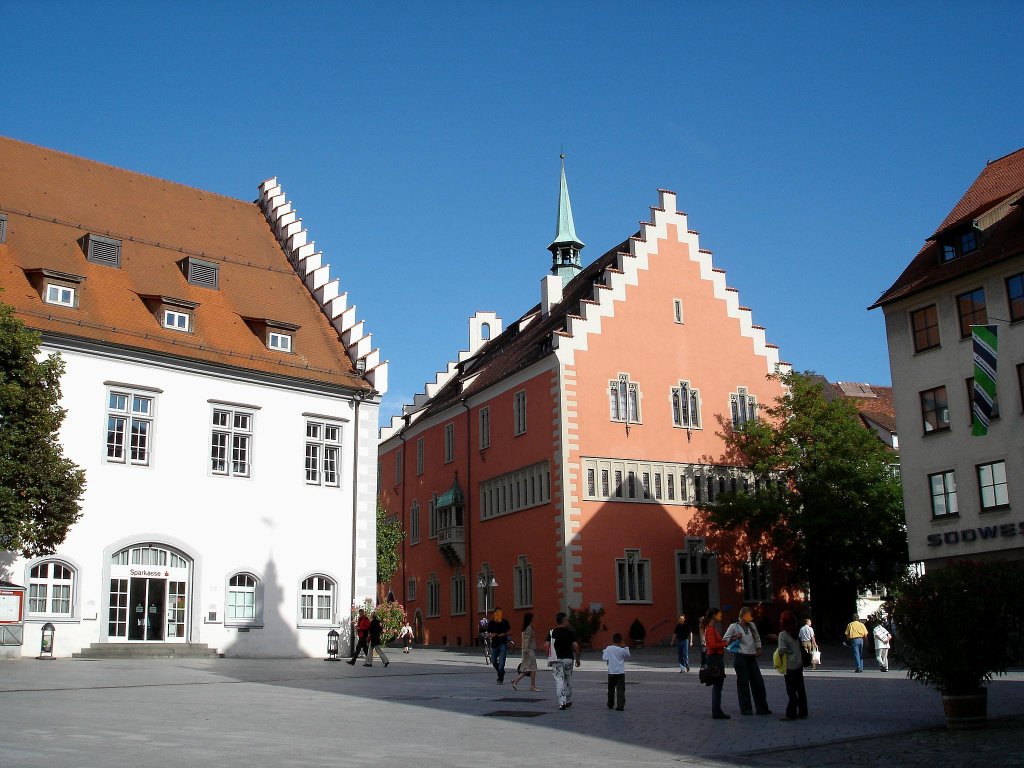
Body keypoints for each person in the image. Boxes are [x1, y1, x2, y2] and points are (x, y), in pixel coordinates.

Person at [722, 606, 772, 716]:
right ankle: (746, 708)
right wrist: (734, 637)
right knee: (743, 683)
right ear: (743, 615)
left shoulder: (752, 626)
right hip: (740, 657)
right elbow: (725, 640)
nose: (751, 617)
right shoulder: (733, 627)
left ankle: (762, 707)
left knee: (758, 683)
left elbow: (757, 638)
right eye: (749, 615)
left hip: (752, 656)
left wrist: (758, 648)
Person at [776, 610, 809, 721]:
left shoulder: (782, 635)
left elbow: (782, 650)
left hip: (789, 666)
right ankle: (803, 711)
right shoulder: (795, 633)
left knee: (791, 691)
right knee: (800, 689)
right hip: (799, 664)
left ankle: (791, 713)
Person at [545, 611, 581, 710]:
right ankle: (568, 700)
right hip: (568, 658)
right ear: (564, 621)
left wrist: (548, 656)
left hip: (556, 659)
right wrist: (578, 658)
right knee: (568, 679)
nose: (568, 621)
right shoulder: (570, 632)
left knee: (559, 680)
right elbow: (576, 646)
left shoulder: (552, 632)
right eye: (567, 620)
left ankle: (562, 702)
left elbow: (546, 645)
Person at [703, 607, 730, 719]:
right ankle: (716, 710)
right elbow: (711, 645)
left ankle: (717, 710)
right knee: (718, 685)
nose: (721, 616)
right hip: (714, 658)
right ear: (714, 615)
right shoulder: (710, 629)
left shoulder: (712, 628)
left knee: (718, 685)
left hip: (716, 657)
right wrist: (724, 644)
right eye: (719, 614)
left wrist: (727, 641)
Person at [511, 612, 541, 692]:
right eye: (532, 618)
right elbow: (527, 639)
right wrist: (526, 650)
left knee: (528, 669)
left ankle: (516, 680)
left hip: (525, 649)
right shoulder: (529, 628)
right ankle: (532, 686)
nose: (533, 619)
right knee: (533, 668)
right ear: (530, 619)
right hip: (528, 650)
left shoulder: (524, 628)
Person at [602, 632, 630, 711]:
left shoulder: (609, 648)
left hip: (611, 672)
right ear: (621, 640)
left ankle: (610, 704)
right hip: (620, 672)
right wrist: (626, 647)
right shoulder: (622, 650)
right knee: (620, 689)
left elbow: (604, 657)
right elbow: (628, 655)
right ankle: (620, 705)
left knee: (611, 689)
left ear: (612, 640)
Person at [487, 607, 511, 684]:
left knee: (502, 662)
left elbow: (509, 632)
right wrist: (491, 635)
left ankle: (500, 678)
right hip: (494, 644)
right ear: (494, 614)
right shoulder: (491, 623)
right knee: (493, 661)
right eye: (496, 612)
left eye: (499, 612)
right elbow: (487, 634)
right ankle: (501, 672)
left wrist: (504, 634)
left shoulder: (505, 622)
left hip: (503, 643)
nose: (498, 614)